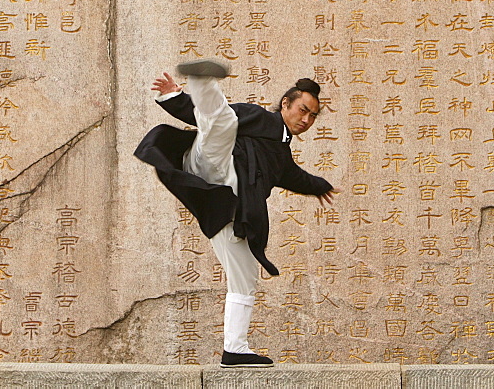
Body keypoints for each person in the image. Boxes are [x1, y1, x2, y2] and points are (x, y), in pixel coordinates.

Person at [134, 59, 340, 368]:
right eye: (303, 110)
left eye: (312, 115)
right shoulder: (259, 117)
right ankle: (203, 79)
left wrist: (320, 185)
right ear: (286, 104)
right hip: (213, 163)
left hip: (225, 204)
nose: (306, 119)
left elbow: (294, 176)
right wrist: (176, 97)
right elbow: (206, 115)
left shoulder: (281, 154)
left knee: (245, 275)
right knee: (223, 124)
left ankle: (235, 350)